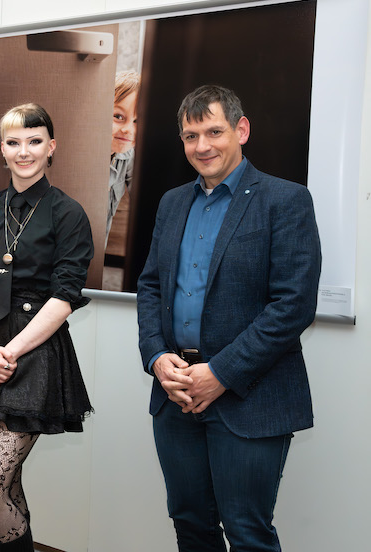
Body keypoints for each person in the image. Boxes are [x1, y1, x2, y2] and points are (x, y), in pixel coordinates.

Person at [136, 84, 321, 551]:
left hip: (250, 398)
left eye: (213, 131)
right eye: (190, 136)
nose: (201, 146)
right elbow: (151, 286)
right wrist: (157, 356)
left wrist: (220, 373)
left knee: (247, 532)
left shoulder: (286, 200)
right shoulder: (173, 202)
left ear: (241, 130)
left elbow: (292, 306)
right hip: (175, 394)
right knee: (190, 524)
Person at [0, 103, 94, 551]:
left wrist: (7, 354)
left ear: (51, 147)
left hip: (36, 354)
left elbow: (65, 296)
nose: (23, 151)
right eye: (13, 143)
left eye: (34, 141)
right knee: (7, 484)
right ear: (2, 150)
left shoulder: (67, 212)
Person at [106, 70, 139, 239]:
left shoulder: (128, 155)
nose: (128, 129)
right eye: (118, 116)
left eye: (137, 121)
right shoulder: (82, 154)